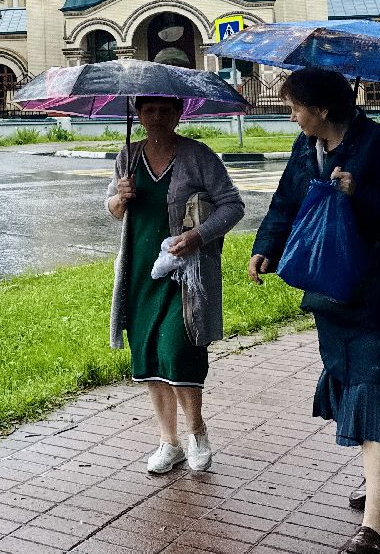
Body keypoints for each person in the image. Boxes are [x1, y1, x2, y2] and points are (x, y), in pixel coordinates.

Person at [248, 68, 380, 554]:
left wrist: (360, 194)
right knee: (350, 380)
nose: (291, 116)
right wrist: (265, 247)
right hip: (331, 292)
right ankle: (379, 483)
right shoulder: (305, 150)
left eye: (295, 107)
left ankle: (376, 530)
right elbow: (285, 203)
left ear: (322, 109)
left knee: (377, 386)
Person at [106, 95, 245, 475]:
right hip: (139, 272)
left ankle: (196, 431)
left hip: (185, 274)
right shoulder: (128, 155)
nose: (156, 117)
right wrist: (120, 198)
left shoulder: (198, 156)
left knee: (179, 349)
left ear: (178, 113)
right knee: (149, 354)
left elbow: (233, 206)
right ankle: (169, 443)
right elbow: (113, 209)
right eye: (148, 110)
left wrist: (199, 236)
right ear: (138, 114)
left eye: (165, 110)